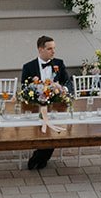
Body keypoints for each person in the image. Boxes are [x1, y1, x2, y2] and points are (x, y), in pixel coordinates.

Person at [20, 35, 73, 170]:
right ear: (40, 49)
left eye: (54, 48)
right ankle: (41, 158)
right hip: (36, 107)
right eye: (50, 49)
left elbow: (68, 82)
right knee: (42, 131)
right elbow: (24, 89)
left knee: (54, 132)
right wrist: (34, 90)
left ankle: (39, 157)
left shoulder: (59, 64)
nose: (53, 51)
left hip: (55, 106)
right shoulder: (28, 67)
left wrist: (62, 89)